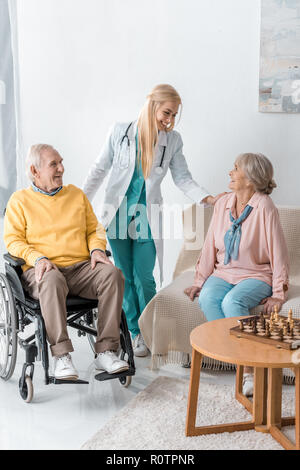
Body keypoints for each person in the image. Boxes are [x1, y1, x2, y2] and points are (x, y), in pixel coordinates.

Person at [82, 84, 225, 357]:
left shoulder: (172, 141)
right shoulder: (120, 131)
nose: (170, 120)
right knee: (122, 276)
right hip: (117, 216)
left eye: (173, 115)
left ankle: (151, 329)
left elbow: (182, 177)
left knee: (144, 277)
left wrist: (207, 198)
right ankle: (136, 332)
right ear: (152, 106)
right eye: (166, 112)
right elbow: (99, 169)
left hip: (147, 216)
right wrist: (78, 201)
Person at [4, 144, 129, 379]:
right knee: (52, 280)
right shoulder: (20, 201)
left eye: (61, 162)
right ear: (35, 170)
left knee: (113, 274)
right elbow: (13, 241)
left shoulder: (76, 195)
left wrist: (96, 250)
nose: (61, 168)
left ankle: (106, 351)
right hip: (42, 270)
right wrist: (38, 258)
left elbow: (94, 229)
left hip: (81, 268)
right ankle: (62, 355)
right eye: (54, 164)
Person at [184, 152, 289, 396]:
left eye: (235, 169)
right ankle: (242, 362)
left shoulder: (264, 206)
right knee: (208, 298)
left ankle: (250, 371)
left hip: (256, 274)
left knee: (233, 301)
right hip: (224, 272)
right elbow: (210, 244)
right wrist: (199, 281)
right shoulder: (222, 203)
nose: (230, 173)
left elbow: (278, 250)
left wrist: (278, 293)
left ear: (251, 180)